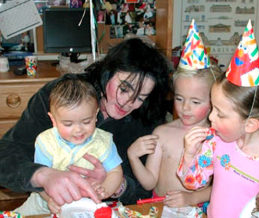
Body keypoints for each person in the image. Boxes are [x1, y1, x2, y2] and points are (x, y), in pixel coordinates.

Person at [0, 37, 172, 206]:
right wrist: (42, 175)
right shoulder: (62, 96)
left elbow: (146, 192)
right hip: (48, 202)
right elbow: (5, 156)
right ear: (108, 71)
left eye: (140, 97)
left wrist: (116, 184)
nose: (128, 103)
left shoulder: (147, 118)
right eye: (124, 89)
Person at [177, 20, 259, 217]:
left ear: (250, 124)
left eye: (220, 113)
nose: (210, 117)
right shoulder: (216, 142)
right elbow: (193, 183)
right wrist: (190, 154)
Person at [128, 19, 218, 208]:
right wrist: (133, 156)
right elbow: (150, 182)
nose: (185, 108)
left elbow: (221, 185)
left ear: (212, 102)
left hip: (196, 209)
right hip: (160, 208)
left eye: (195, 102)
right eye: (179, 98)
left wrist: (191, 198)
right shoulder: (162, 133)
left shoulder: (217, 138)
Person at [14, 75, 123, 215]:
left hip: (87, 202)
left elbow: (115, 172)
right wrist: (49, 199)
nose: (78, 130)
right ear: (53, 120)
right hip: (44, 202)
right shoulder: (46, 142)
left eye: (86, 122)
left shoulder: (103, 141)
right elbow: (40, 180)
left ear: (95, 114)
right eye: (68, 124)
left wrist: (103, 191)